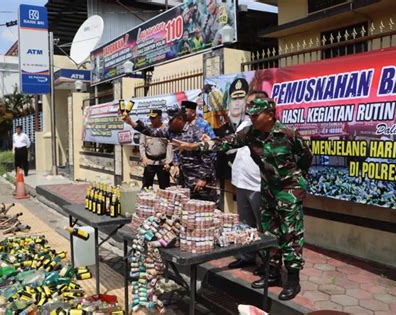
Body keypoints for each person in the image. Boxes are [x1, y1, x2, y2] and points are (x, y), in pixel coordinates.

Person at [175, 98, 313, 301]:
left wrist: (293, 179)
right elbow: (224, 143)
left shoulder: (288, 134)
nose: (252, 119)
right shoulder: (250, 134)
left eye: (256, 116)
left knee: (290, 234)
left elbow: (305, 157)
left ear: (270, 114)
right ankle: (272, 273)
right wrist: (194, 147)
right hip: (267, 190)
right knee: (268, 232)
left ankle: (293, 279)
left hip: (288, 190)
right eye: (251, 115)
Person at [122, 105, 217, 202]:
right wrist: (131, 122)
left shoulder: (196, 132)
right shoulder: (171, 131)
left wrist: (203, 178)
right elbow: (152, 132)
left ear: (180, 119)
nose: (169, 123)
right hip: (186, 180)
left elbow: (209, 154)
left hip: (200, 181)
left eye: (171, 120)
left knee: (205, 209)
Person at [227, 90, 268, 270]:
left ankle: (268, 263)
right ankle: (247, 256)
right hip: (241, 181)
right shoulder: (244, 123)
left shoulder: (267, 127)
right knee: (245, 224)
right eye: (248, 104)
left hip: (257, 184)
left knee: (264, 226)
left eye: (251, 104)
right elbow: (232, 147)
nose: (248, 107)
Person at [139, 109, 173, 190]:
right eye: (150, 117)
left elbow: (170, 146)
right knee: (146, 187)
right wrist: (144, 157)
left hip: (163, 163)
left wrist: (168, 162)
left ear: (160, 117)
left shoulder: (166, 129)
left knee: (165, 188)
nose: (151, 119)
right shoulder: (146, 129)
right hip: (149, 162)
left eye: (154, 118)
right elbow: (142, 145)